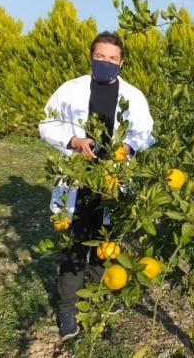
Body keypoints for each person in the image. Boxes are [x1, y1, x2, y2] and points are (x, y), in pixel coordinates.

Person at [39, 31, 155, 341]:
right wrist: (73, 140)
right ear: (92, 57)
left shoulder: (134, 96)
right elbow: (46, 123)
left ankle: (98, 297)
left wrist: (129, 147)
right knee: (77, 244)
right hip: (79, 177)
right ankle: (67, 308)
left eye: (112, 58)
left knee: (107, 243)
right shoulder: (70, 89)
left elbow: (146, 133)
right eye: (100, 57)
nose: (106, 63)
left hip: (113, 180)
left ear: (122, 62)